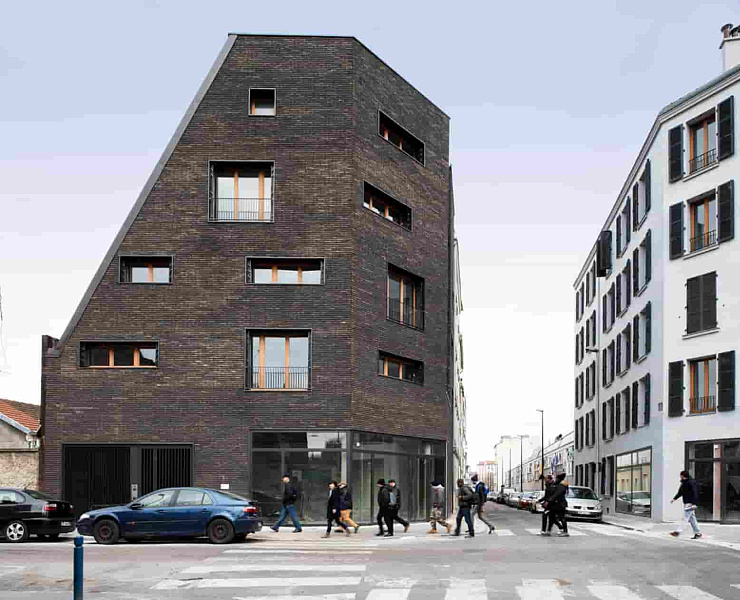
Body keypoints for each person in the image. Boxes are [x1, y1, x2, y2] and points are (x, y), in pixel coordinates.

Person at [670, 470, 702, 539]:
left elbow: (695, 493)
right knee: (692, 518)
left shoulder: (691, 482)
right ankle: (698, 533)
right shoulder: (684, 483)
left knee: (685, 518)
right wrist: (674, 499)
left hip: (690, 503)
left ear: (682, 476)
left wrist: (694, 503)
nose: (680, 477)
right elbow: (680, 492)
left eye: (680, 475)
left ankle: (677, 532)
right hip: (686, 502)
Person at [543, 473, 569, 537]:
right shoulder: (558, 485)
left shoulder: (561, 486)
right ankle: (548, 531)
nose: (555, 479)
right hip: (555, 504)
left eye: (556, 478)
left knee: (562, 517)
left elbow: (556, 495)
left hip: (560, 504)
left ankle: (565, 532)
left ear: (558, 478)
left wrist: (548, 501)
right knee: (551, 517)